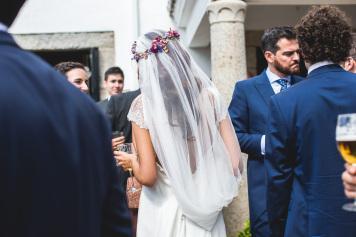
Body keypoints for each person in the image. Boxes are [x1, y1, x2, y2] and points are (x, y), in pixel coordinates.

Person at [0, 1, 132, 236]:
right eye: (77, 81)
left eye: (85, 82)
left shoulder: (90, 113)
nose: (83, 88)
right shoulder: (87, 113)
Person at [115, 29, 243, 237]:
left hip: (163, 211)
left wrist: (131, 161)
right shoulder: (211, 97)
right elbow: (234, 161)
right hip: (205, 208)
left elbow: (148, 176)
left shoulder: (143, 106)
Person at [265, 5, 356, 237]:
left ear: (303, 50)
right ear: (345, 47)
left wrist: (277, 227)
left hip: (309, 225)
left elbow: (279, 178)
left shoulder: (284, 103)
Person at [228, 26, 303, 237]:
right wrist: (269, 143)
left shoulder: (306, 85)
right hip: (265, 186)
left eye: (298, 52)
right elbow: (235, 135)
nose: (296, 57)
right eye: (288, 53)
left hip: (302, 186)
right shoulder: (245, 89)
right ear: (269, 56)